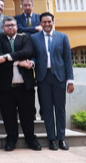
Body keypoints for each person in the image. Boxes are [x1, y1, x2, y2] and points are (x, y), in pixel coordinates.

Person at [0, 18, 41, 151]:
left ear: (17, 26)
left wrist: (7, 58)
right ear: (3, 28)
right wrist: (18, 62)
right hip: (5, 87)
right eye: (7, 26)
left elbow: (28, 52)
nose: (10, 28)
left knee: (28, 115)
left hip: (25, 86)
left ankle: (31, 139)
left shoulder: (25, 39)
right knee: (9, 116)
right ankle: (11, 140)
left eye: (12, 25)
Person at [32, 12, 75, 151]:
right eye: (44, 22)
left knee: (60, 109)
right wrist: (31, 63)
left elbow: (68, 59)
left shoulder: (62, 37)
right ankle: (52, 139)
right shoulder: (34, 38)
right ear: (40, 23)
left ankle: (61, 138)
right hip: (43, 77)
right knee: (48, 110)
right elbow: (33, 56)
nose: (47, 24)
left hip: (59, 77)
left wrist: (70, 80)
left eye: (49, 22)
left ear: (53, 22)